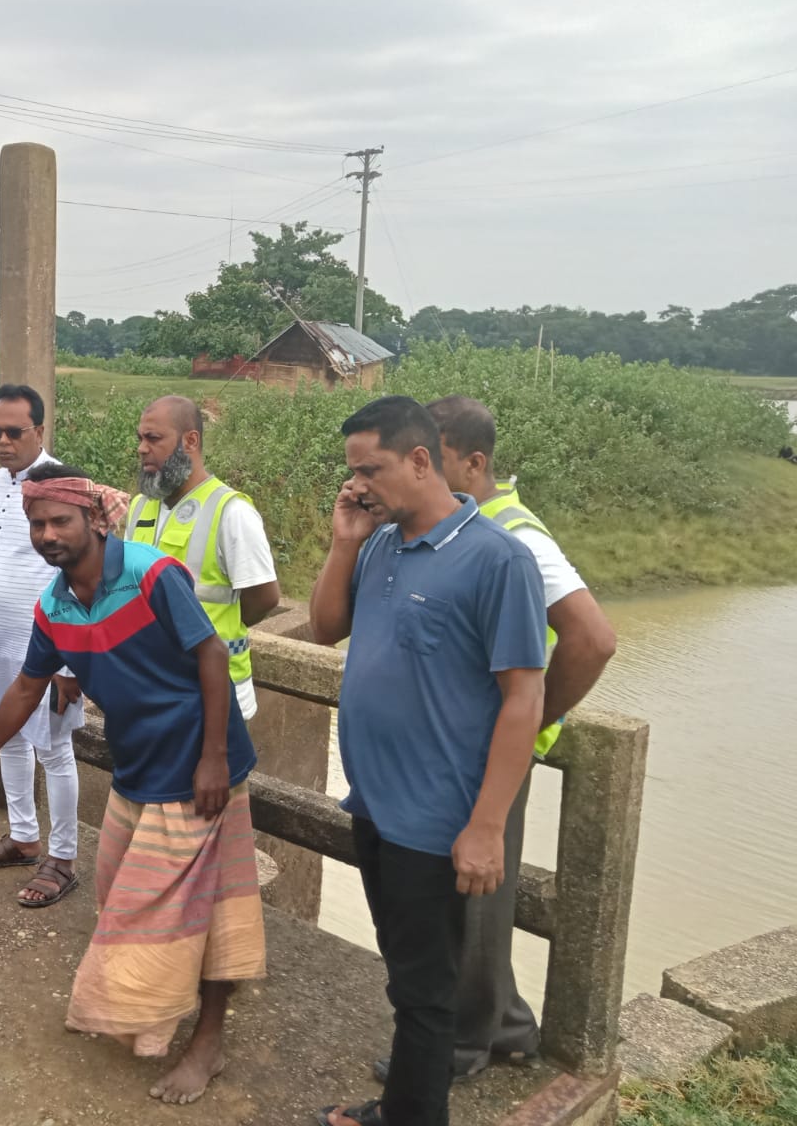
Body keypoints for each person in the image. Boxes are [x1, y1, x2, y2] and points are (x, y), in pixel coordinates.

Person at [0, 463, 265, 1106]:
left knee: (179, 908)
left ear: (93, 519)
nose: (46, 534)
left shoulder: (152, 575)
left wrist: (211, 758)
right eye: (37, 523)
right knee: (119, 891)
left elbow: (211, 654)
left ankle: (206, 1041)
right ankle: (157, 1009)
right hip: (138, 766)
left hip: (198, 766)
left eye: (59, 520)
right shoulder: (55, 604)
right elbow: (27, 688)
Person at [308, 396, 547, 1126]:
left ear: (420, 460)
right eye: (351, 473)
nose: (359, 486)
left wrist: (485, 826)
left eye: (370, 471)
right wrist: (346, 539)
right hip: (375, 803)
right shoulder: (381, 542)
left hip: (436, 818)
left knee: (425, 991)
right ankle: (404, 1110)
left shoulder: (497, 559)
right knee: (412, 982)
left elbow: (523, 699)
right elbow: (323, 629)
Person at [405, 395, 616, 1083]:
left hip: (482, 751)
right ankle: (513, 1025)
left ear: (475, 462)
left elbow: (592, 638)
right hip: (449, 746)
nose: (421, 477)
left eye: (433, 463)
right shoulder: (455, 525)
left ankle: (462, 1045)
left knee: (469, 897)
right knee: (470, 895)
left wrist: (529, 727)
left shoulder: (515, 535)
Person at [0, 384, 85, 907]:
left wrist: (70, 662)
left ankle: (63, 856)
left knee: (53, 747)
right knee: (3, 735)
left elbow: (79, 573)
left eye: (15, 432)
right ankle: (22, 835)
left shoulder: (64, 486)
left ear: (40, 430)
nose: (4, 442)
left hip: (47, 645)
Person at [126, 395, 280, 721]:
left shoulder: (231, 511)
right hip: (152, 689)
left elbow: (263, 598)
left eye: (153, 438)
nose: (141, 448)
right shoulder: (140, 507)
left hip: (215, 697)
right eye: (140, 438)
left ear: (190, 441)